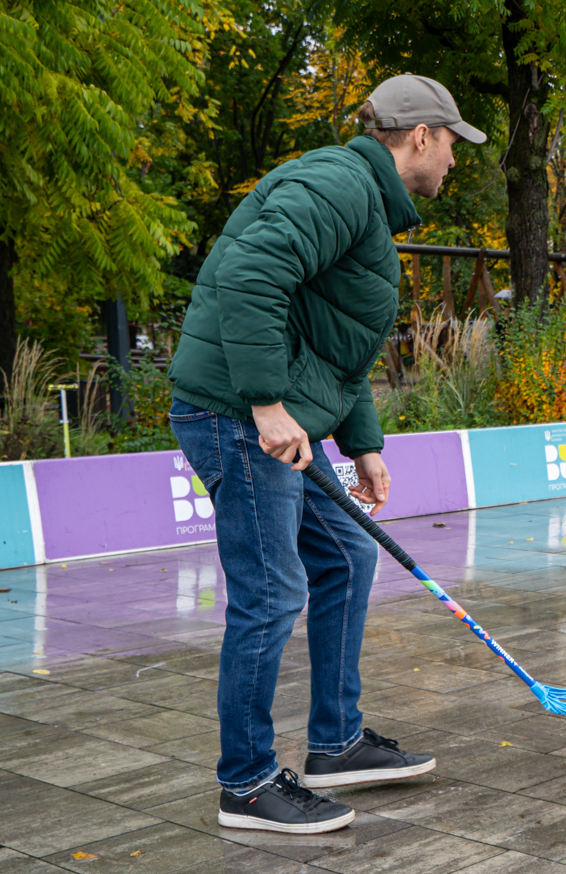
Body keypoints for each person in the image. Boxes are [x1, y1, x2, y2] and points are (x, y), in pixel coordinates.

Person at [167, 75, 486, 834]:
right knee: (272, 593)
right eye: (451, 143)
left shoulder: (363, 199)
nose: (453, 159)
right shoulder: (341, 186)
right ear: (419, 136)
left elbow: (331, 352)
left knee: (347, 554)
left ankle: (336, 744)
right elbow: (250, 275)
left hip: (279, 418)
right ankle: (246, 785)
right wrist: (264, 400)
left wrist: (363, 445)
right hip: (237, 417)